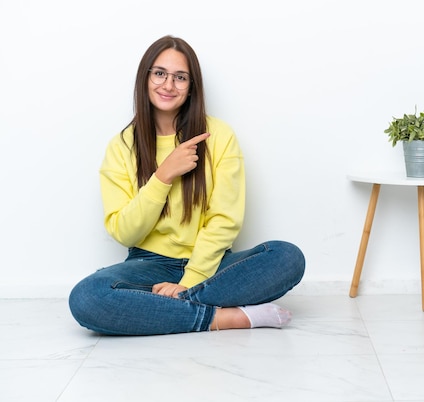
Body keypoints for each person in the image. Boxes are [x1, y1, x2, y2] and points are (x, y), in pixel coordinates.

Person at [69, 35, 305, 335]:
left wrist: (189, 280)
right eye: (159, 74)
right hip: (148, 264)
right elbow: (124, 231)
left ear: (192, 86)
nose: (168, 85)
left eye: (180, 77)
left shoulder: (219, 135)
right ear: (145, 78)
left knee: (287, 257)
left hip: (213, 264)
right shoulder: (122, 146)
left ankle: (177, 305)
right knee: (88, 298)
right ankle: (223, 318)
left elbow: (225, 220)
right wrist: (163, 176)